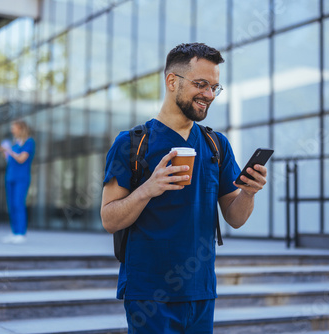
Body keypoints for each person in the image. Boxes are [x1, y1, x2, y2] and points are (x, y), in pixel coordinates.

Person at [101, 43, 268, 333]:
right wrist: (147, 189)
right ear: (171, 81)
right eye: (201, 84)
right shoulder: (131, 144)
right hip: (150, 295)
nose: (209, 95)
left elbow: (236, 218)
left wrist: (249, 193)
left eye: (215, 87)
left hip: (201, 292)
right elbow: (109, 219)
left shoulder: (216, 146)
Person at [0, 120, 36, 244]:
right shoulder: (15, 143)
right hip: (10, 177)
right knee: (11, 205)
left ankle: (21, 233)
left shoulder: (29, 142)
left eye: (14, 128)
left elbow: (21, 159)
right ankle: (15, 232)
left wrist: (8, 150)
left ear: (21, 128)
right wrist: (5, 153)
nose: (12, 130)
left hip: (21, 178)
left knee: (19, 204)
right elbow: (10, 160)